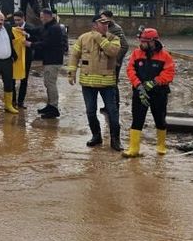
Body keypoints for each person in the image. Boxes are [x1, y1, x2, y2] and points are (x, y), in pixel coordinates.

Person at [67, 17, 123, 151]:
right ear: (94, 25)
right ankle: (96, 136)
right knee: (90, 111)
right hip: (88, 82)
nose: (105, 26)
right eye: (102, 24)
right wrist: (72, 72)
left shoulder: (113, 38)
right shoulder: (83, 38)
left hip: (107, 83)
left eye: (107, 24)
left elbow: (112, 51)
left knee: (112, 112)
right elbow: (74, 55)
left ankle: (115, 140)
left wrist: (99, 38)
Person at [123, 28, 175, 158]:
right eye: (141, 41)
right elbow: (130, 70)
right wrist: (138, 85)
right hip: (140, 92)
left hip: (159, 93)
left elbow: (169, 73)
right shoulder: (136, 54)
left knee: (160, 119)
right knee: (137, 119)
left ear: (153, 41)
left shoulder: (165, 56)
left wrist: (155, 82)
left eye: (144, 41)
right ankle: (134, 148)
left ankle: (161, 146)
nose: (141, 44)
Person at [31, 9, 64, 119]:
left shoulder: (54, 28)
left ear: (47, 16)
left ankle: (54, 108)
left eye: (41, 17)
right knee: (48, 83)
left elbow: (46, 43)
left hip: (53, 60)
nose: (41, 19)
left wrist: (30, 44)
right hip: (49, 60)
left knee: (50, 84)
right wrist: (24, 29)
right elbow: (37, 31)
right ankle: (50, 105)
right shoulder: (49, 26)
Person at [99, 10, 129, 114]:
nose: (102, 20)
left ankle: (115, 106)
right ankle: (108, 105)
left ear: (110, 18)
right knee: (106, 83)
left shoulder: (116, 29)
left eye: (104, 18)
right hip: (106, 60)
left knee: (113, 83)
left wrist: (117, 60)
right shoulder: (106, 27)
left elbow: (125, 46)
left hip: (114, 61)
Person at [12, 11, 39, 109]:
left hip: (26, 57)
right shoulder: (12, 28)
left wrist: (27, 35)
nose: (17, 22)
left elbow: (37, 39)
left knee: (24, 79)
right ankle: (13, 100)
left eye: (19, 20)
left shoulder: (31, 28)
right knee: (12, 78)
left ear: (23, 18)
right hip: (15, 56)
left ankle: (21, 101)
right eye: (15, 20)